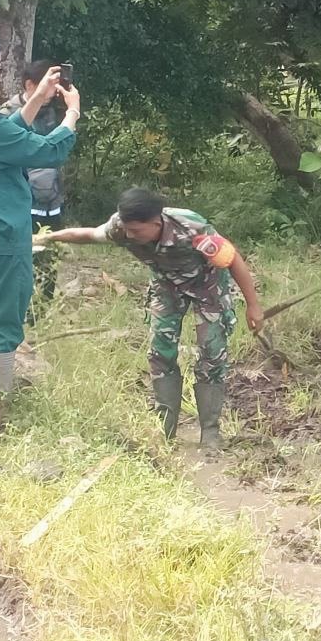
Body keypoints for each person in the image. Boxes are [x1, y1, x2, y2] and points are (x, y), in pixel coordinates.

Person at [36, 188, 264, 448]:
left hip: (207, 286)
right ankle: (165, 429)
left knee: (212, 354)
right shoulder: (121, 226)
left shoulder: (192, 228)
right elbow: (89, 234)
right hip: (167, 286)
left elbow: (233, 260)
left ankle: (210, 433)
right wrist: (49, 237)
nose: (130, 235)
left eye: (136, 230)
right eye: (127, 229)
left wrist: (253, 306)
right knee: (160, 352)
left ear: (156, 223)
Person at [0, 39, 81, 437]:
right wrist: (72, 113)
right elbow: (47, 151)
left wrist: (39, 99)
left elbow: (5, 134)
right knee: (1, 326)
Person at [2, 59, 70, 319]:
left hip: (51, 200)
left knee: (50, 258)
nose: (54, 91)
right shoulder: (8, 114)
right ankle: (20, 312)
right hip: (23, 202)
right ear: (30, 84)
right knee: (23, 260)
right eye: (49, 83)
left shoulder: (51, 112)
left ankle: (41, 312)